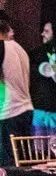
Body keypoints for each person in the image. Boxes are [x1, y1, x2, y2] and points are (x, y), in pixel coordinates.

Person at [0, 19, 33, 167]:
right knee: (22, 163)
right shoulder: (21, 49)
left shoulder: (2, 47)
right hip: (26, 110)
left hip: (9, 113)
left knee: (8, 167)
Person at [29, 21, 56, 135]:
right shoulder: (35, 54)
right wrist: (40, 69)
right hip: (39, 109)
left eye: (47, 31)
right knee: (38, 143)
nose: (42, 34)